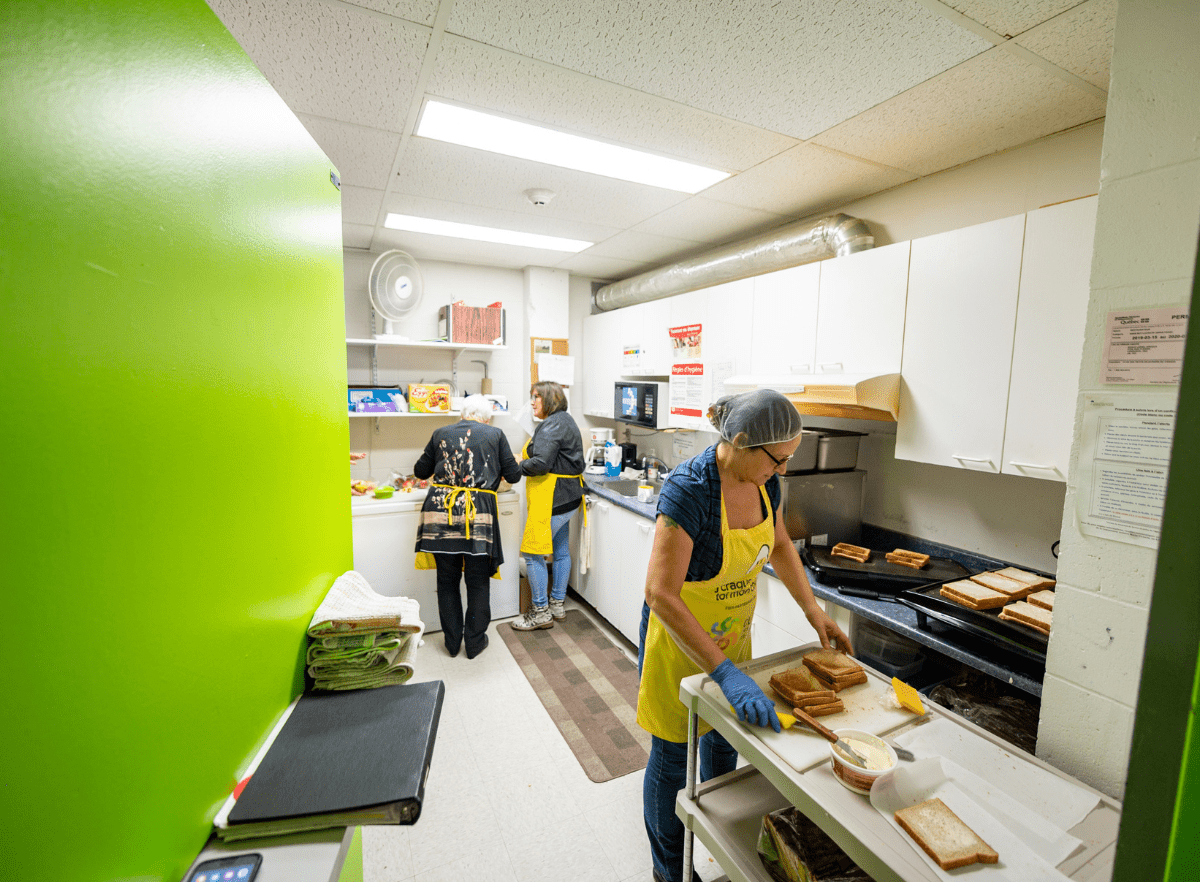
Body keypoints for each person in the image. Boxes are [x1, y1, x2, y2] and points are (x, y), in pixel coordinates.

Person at [636, 389, 852, 882]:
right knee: (672, 760)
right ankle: (668, 870)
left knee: (723, 749)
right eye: (778, 460)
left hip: (733, 639)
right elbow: (661, 594)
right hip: (681, 645)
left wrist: (814, 612)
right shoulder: (688, 491)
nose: (782, 471)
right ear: (740, 443)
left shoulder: (765, 486)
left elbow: (777, 544)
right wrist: (725, 672)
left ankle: (717, 842)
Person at [413, 395, 522, 659]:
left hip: (440, 514)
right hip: (478, 516)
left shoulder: (441, 432)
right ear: (486, 417)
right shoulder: (495, 433)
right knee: (477, 580)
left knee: (447, 580)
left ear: (463, 414)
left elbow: (420, 471)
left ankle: (452, 644)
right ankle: (474, 643)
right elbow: (514, 476)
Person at [511, 381, 585, 631]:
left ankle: (540, 612)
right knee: (561, 550)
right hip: (569, 498)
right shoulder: (565, 420)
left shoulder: (551, 425)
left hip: (553, 499)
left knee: (532, 553)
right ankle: (557, 604)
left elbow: (541, 463)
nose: (532, 403)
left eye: (536, 398)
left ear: (550, 400)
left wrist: (514, 467)